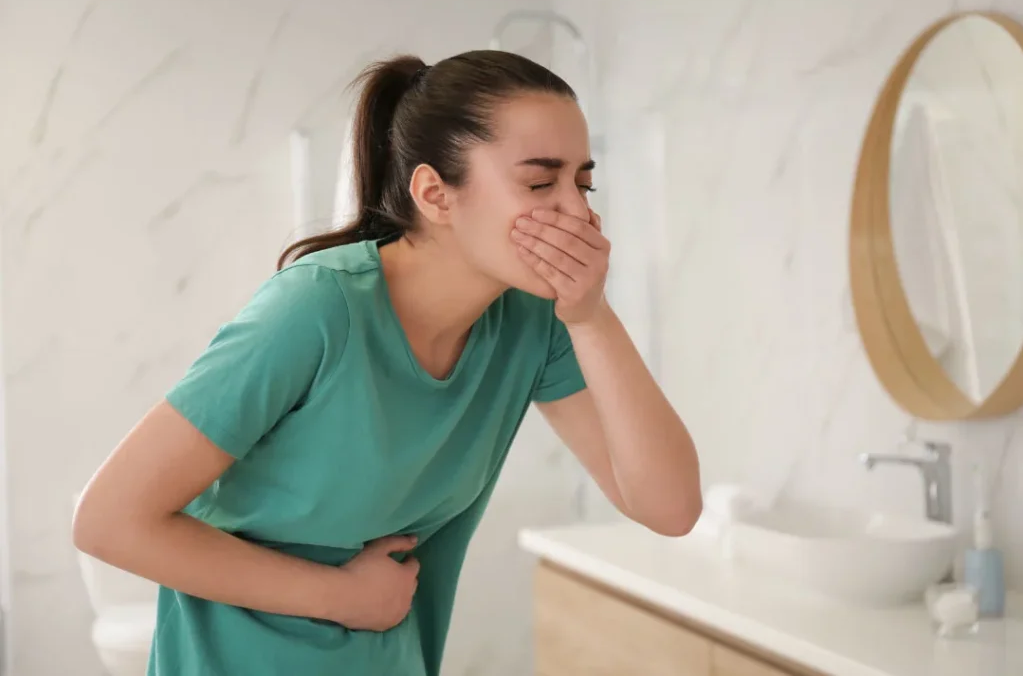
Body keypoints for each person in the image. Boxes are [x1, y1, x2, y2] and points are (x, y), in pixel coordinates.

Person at [72, 50, 701, 676]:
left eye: (583, 183)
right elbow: (110, 521)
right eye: (540, 182)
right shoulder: (318, 309)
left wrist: (592, 316)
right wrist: (340, 597)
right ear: (435, 194)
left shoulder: (536, 321)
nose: (578, 212)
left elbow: (670, 509)